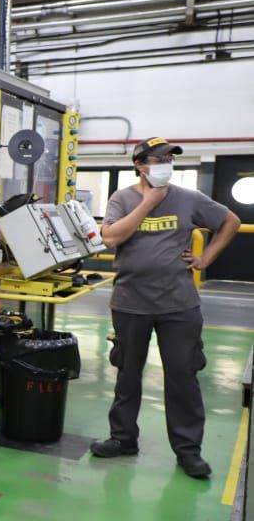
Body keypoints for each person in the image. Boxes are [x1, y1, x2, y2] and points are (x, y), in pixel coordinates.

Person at [90, 137, 241, 479]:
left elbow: (230, 221)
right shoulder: (122, 199)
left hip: (179, 305)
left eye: (169, 160)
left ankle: (188, 451)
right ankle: (123, 438)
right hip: (130, 303)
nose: (165, 166)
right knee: (128, 374)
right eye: (158, 160)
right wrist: (147, 204)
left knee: (183, 376)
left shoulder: (189, 198)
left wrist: (205, 258)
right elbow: (111, 237)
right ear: (139, 165)